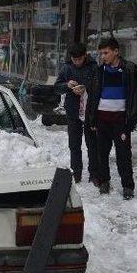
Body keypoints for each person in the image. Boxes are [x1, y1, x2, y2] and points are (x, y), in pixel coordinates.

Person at [86, 38, 137, 200]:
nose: (103, 56)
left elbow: (136, 94)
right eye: (101, 53)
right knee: (102, 153)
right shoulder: (99, 71)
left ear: (116, 51)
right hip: (102, 119)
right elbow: (93, 97)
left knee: (124, 154)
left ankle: (128, 186)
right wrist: (92, 120)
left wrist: (132, 119)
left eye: (106, 53)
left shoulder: (129, 69)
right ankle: (104, 181)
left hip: (120, 120)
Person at [54, 43, 98, 184]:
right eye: (74, 59)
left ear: (85, 55)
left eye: (79, 59)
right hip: (73, 111)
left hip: (90, 112)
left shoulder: (93, 67)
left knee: (92, 144)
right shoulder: (67, 68)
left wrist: (86, 88)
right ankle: (76, 173)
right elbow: (56, 88)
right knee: (74, 144)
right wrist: (67, 86)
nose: (77, 62)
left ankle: (94, 174)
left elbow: (99, 86)